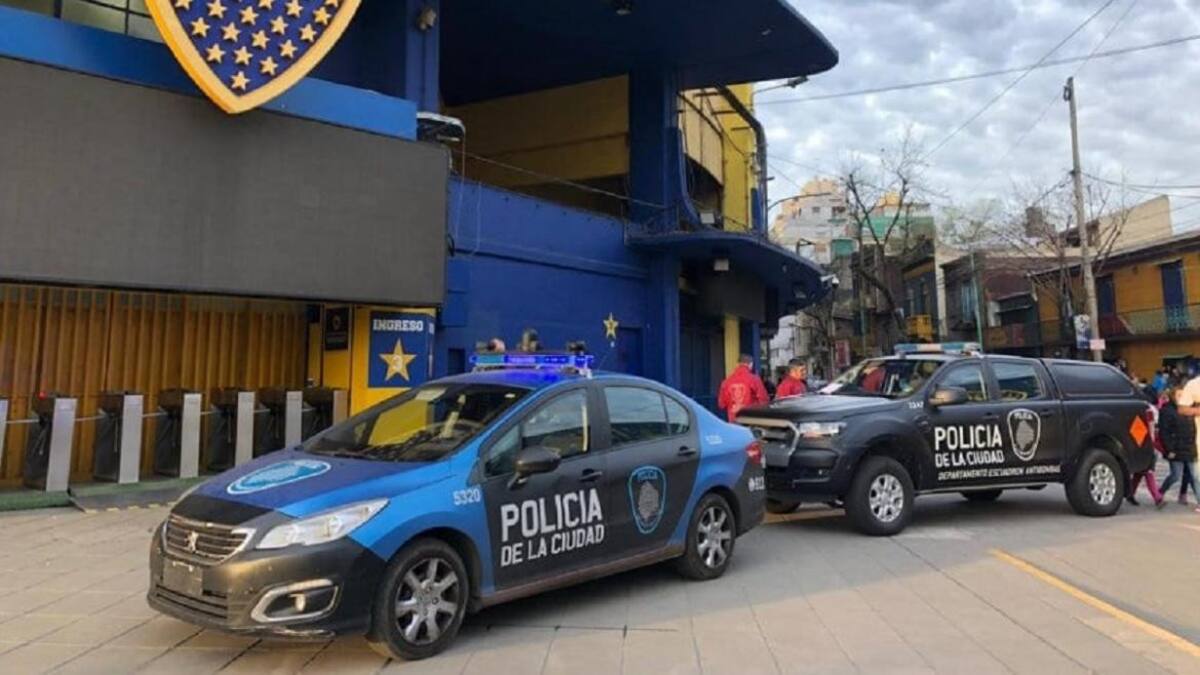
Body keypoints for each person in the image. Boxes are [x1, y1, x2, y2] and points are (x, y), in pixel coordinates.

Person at [1160, 386, 1200, 511]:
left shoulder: (1189, 409)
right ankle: (1160, 492)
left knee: (1195, 476)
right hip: (1176, 448)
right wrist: (1169, 449)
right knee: (1175, 475)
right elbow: (1164, 432)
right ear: (1173, 396)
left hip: (1190, 447)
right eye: (1178, 395)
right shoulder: (1167, 411)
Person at [1129, 391, 1165, 507]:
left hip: (1138, 441)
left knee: (1140, 473)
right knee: (1149, 471)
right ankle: (1157, 497)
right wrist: (1152, 442)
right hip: (1147, 442)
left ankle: (1130, 493)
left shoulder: (1136, 408)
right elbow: (1151, 426)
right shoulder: (1149, 410)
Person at [717, 354, 769, 422]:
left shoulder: (726, 382)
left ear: (738, 364)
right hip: (751, 419)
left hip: (733, 420)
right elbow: (764, 400)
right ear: (750, 364)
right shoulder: (754, 379)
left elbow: (721, 404)